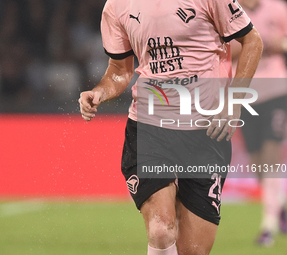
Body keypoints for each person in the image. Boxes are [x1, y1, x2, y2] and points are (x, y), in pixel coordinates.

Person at [79, 0, 263, 254]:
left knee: (194, 250)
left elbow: (253, 41)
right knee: (161, 229)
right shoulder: (116, 6)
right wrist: (100, 91)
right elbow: (120, 70)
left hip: (206, 132)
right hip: (149, 127)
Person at [231, 0, 287, 246]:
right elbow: (225, 50)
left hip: (276, 90)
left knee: (271, 154)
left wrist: (276, 44)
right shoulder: (227, 13)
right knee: (257, 164)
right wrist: (260, 44)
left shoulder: (277, 9)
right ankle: (280, 205)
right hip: (245, 94)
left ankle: (268, 227)